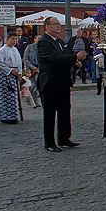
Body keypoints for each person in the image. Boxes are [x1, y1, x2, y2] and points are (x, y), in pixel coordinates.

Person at [37, 17, 87, 152]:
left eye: (59, 24)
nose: (59, 26)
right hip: (50, 82)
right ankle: (49, 143)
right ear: (47, 26)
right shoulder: (43, 42)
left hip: (63, 82)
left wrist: (74, 63)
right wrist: (75, 57)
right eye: (55, 24)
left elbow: (65, 56)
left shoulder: (60, 42)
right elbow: (54, 59)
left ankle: (64, 138)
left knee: (65, 111)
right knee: (49, 113)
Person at [0, 34, 24, 124]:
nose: (14, 41)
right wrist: (9, 70)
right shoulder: (2, 50)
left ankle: (13, 115)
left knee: (14, 96)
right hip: (4, 75)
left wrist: (20, 72)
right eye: (12, 39)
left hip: (14, 75)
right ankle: (5, 117)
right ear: (7, 39)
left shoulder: (15, 50)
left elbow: (19, 62)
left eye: (15, 39)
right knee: (6, 97)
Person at [23, 34, 43, 108]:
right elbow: (25, 59)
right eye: (38, 38)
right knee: (31, 85)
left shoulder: (42, 48)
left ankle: (36, 100)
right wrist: (31, 67)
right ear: (35, 39)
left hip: (39, 68)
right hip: (30, 68)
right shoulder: (29, 47)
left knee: (37, 85)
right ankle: (29, 101)